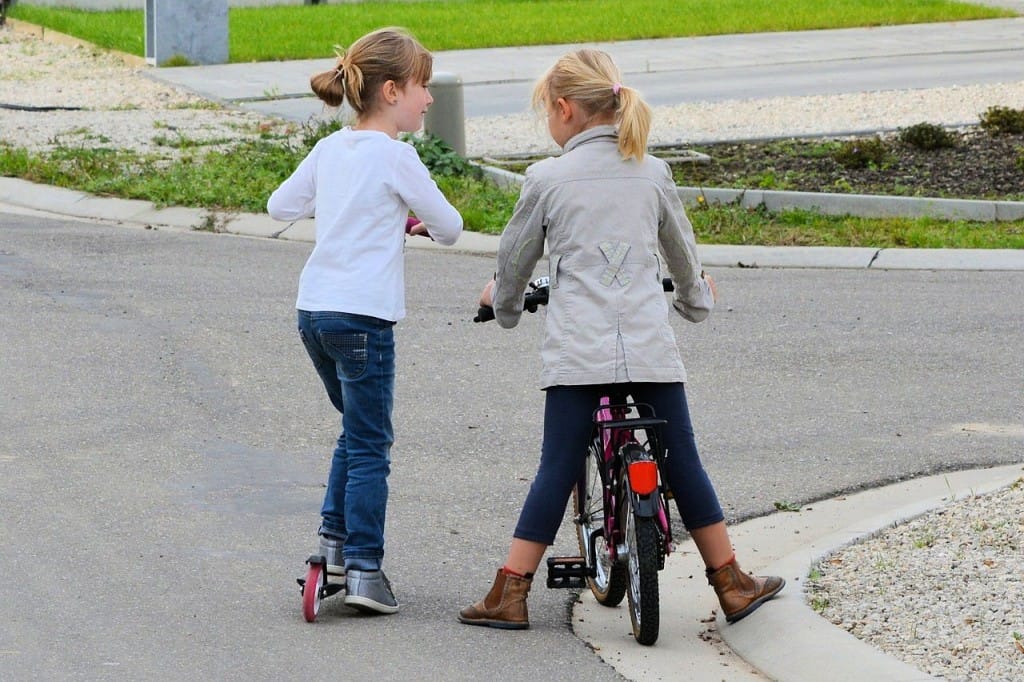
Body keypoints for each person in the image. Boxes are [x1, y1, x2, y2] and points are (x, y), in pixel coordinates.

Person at [458, 49, 783, 630]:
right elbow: (682, 254)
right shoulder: (652, 172)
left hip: (577, 358)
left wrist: (502, 305)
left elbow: (514, 259)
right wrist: (695, 300)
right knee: (683, 462)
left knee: (556, 468)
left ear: (564, 110)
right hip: (650, 350)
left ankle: (510, 593)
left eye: (546, 113)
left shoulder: (546, 178)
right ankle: (731, 583)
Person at [268, 27, 462, 615]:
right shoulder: (398, 157)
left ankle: (331, 544)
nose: (429, 99)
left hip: (314, 312)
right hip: (364, 318)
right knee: (372, 442)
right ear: (392, 91)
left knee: (355, 429)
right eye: (423, 87)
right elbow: (450, 226)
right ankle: (364, 570)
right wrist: (411, 218)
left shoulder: (332, 149)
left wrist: (359, 215)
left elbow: (281, 207)